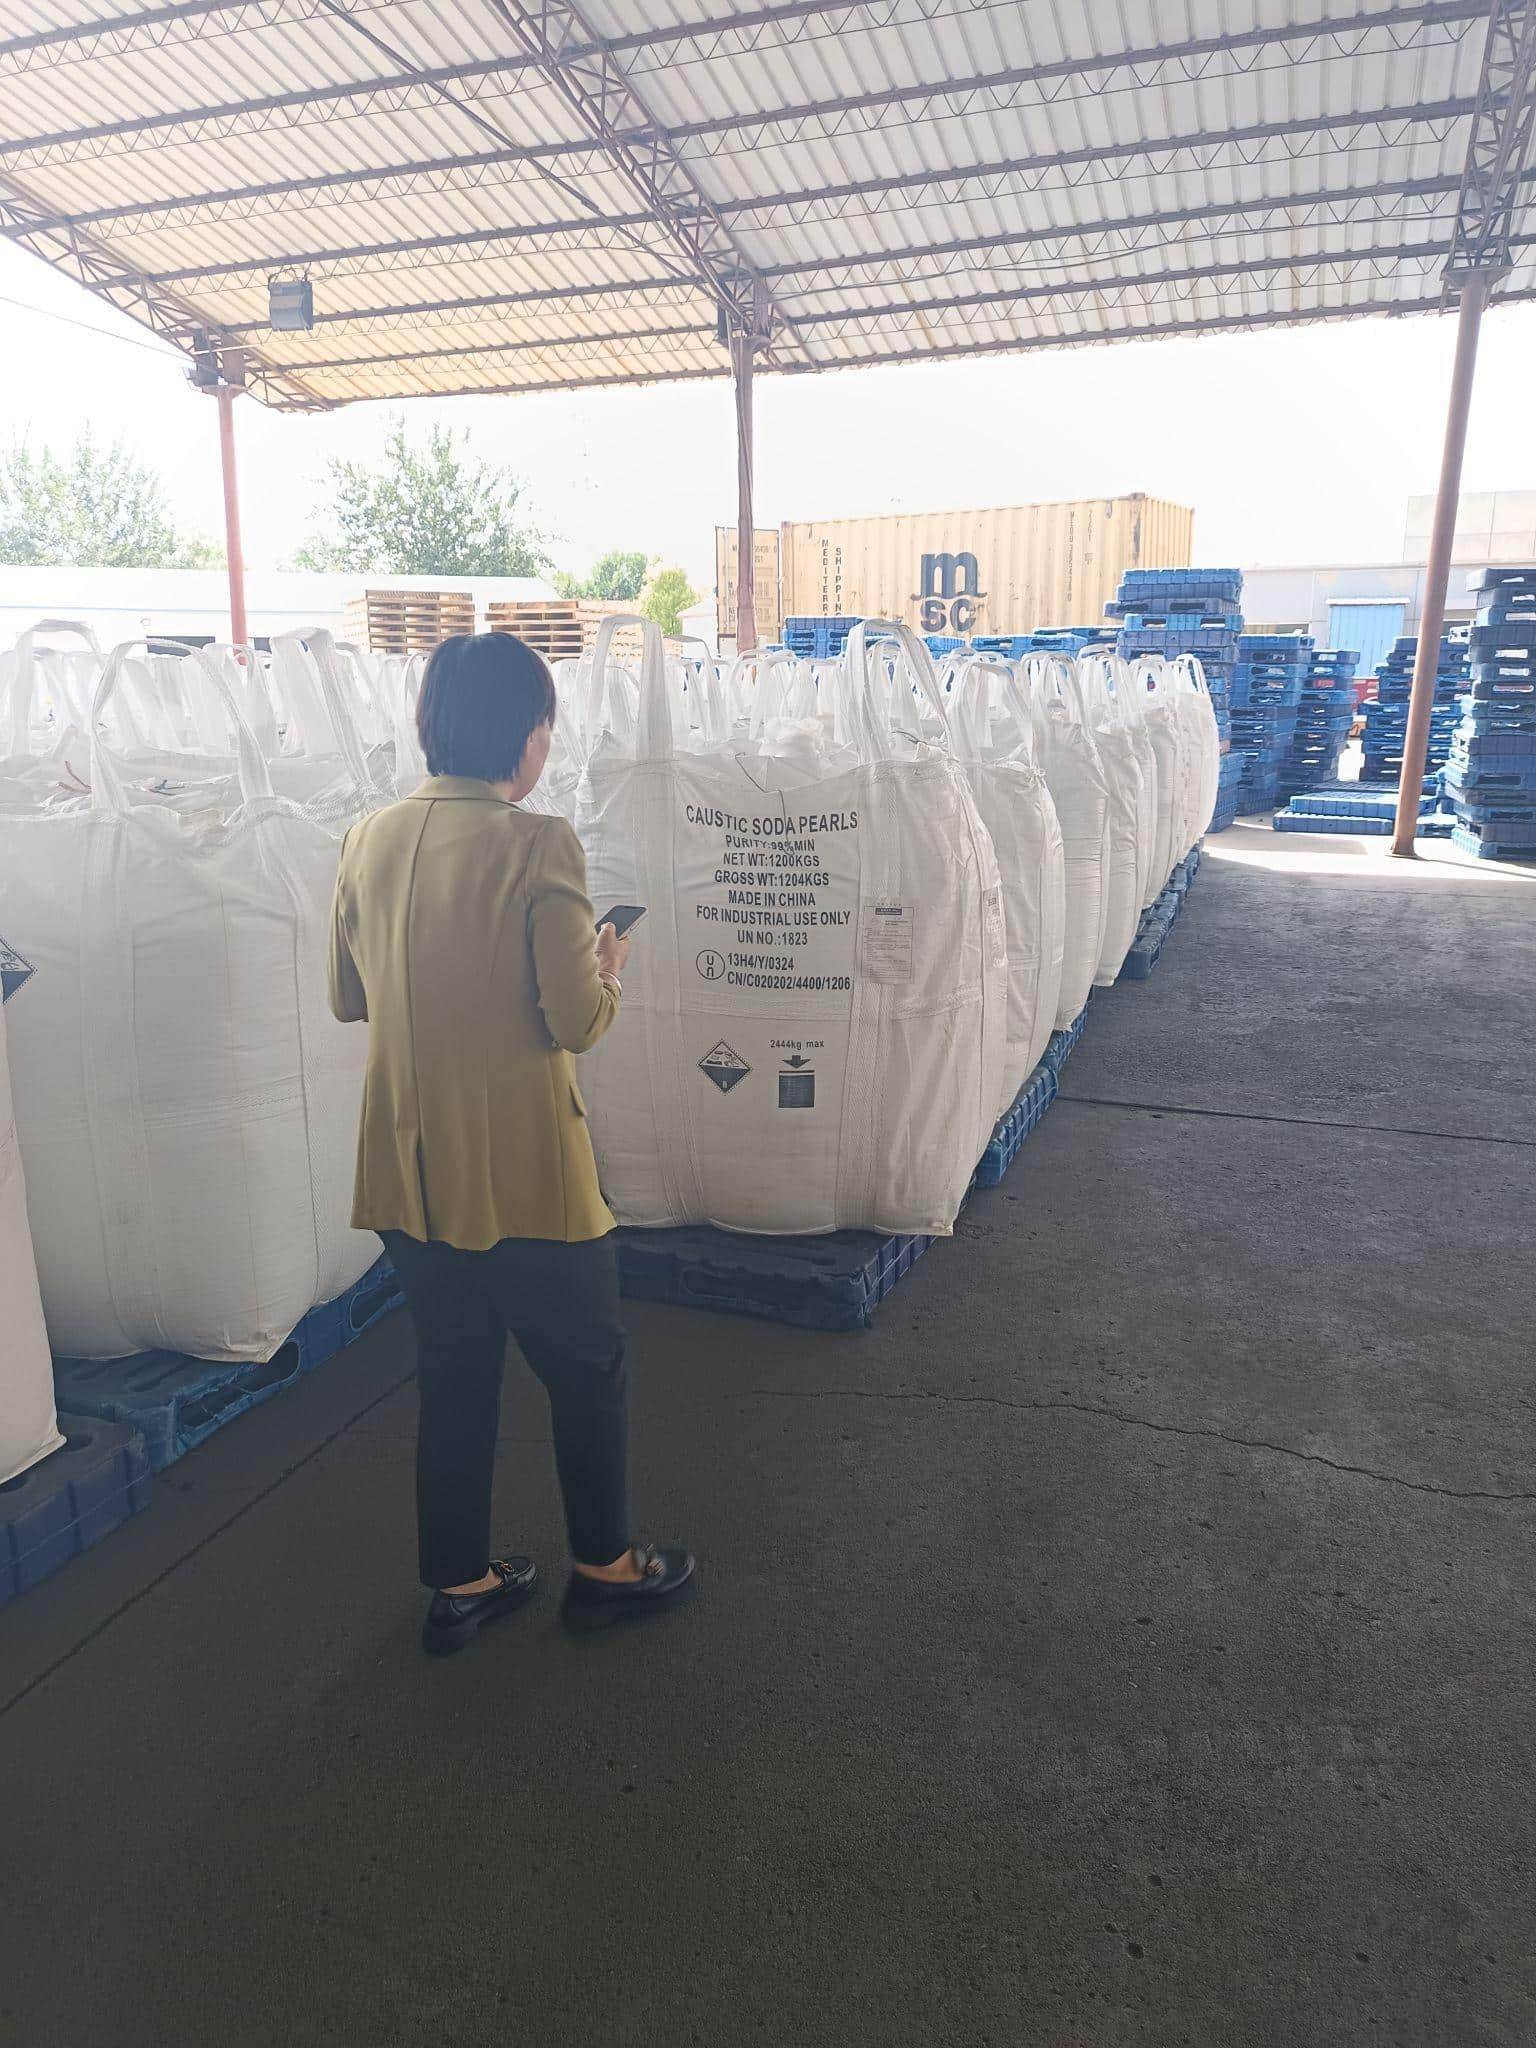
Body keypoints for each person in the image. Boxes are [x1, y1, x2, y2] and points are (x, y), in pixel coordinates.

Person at [327, 631, 695, 1656]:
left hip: (406, 1167)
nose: (545, 742)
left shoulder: (367, 837)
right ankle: (608, 1569)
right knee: (588, 1365)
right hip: (526, 1172)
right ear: (522, 737)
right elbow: (574, 1021)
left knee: (454, 1369)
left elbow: (347, 994)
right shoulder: (540, 846)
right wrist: (607, 963)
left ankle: (461, 1581)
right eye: (545, 724)